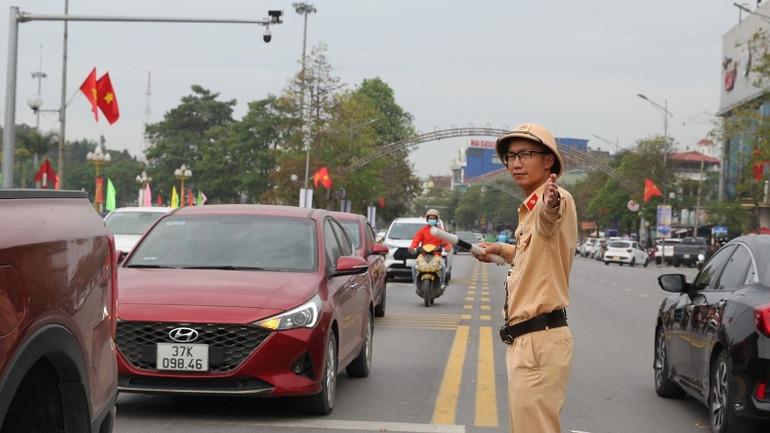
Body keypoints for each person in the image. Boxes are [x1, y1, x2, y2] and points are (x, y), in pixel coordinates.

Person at [471, 122, 577, 433]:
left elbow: (549, 219)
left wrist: (551, 202)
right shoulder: (528, 209)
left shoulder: (554, 199)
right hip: (526, 340)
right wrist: (501, 250)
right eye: (510, 156)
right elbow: (535, 257)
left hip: (539, 341)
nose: (515, 163)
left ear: (548, 161)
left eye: (525, 154)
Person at [409, 208, 451, 288]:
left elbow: (447, 242)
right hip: (423, 256)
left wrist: (447, 247)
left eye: (433, 219)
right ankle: (416, 283)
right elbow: (415, 241)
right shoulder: (422, 230)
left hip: (437, 256)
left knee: (443, 266)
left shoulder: (440, 231)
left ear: (437, 219)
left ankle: (442, 283)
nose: (432, 220)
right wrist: (412, 247)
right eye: (430, 218)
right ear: (427, 219)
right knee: (414, 265)